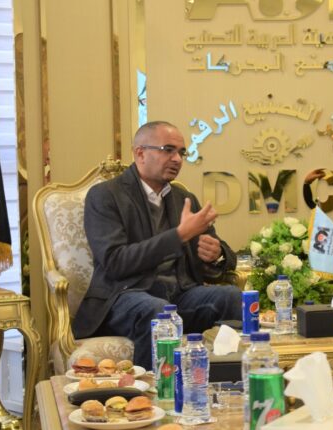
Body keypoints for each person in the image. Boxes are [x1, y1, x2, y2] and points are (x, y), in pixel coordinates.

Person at [74, 121, 242, 369]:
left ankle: (226, 381)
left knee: (232, 297)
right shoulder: (106, 196)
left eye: (181, 152)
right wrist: (178, 236)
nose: (177, 159)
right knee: (159, 312)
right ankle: (156, 389)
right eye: (168, 150)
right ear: (140, 153)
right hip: (124, 297)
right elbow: (115, 261)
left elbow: (219, 252)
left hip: (181, 295)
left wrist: (216, 253)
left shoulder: (184, 198)